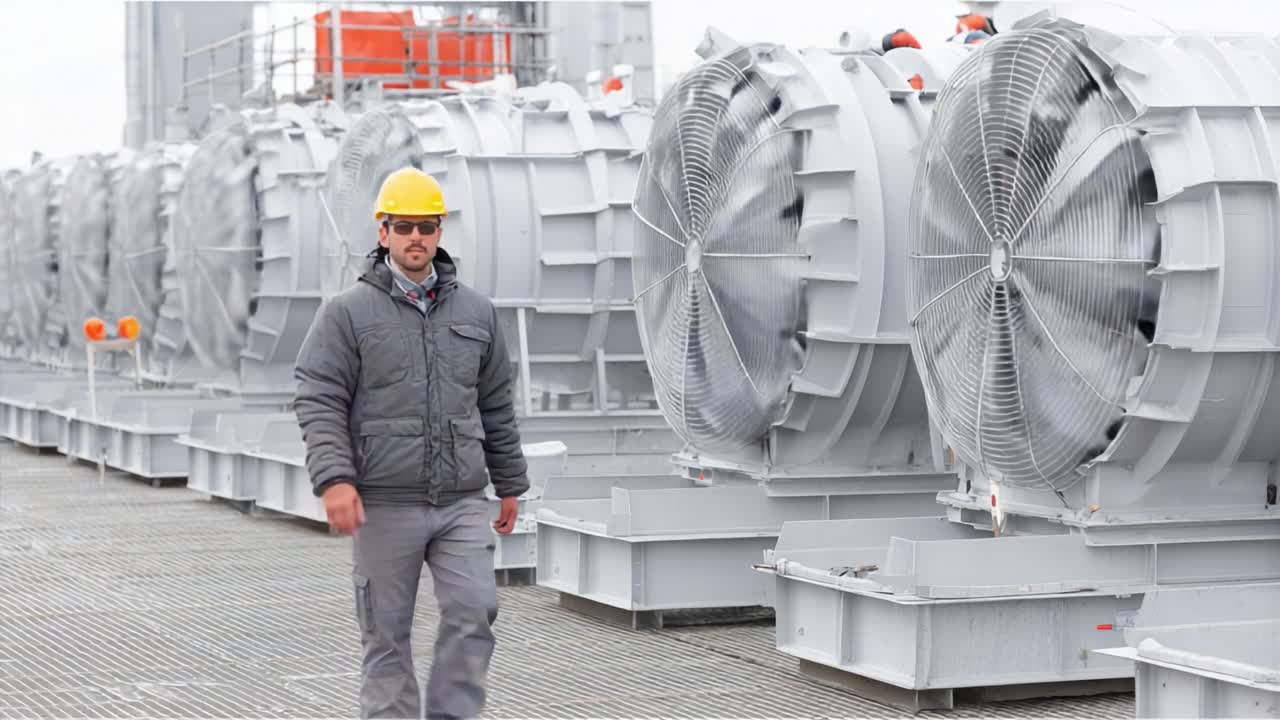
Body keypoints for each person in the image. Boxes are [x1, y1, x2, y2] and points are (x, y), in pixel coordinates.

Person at [293, 166, 528, 720]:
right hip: (383, 502)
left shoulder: (477, 312)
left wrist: (511, 483)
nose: (415, 237)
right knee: (386, 635)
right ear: (383, 233)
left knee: (475, 610)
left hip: (460, 501)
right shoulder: (346, 314)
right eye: (404, 227)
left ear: (440, 231)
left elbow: (496, 404)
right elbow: (318, 397)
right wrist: (335, 479)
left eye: (426, 226)